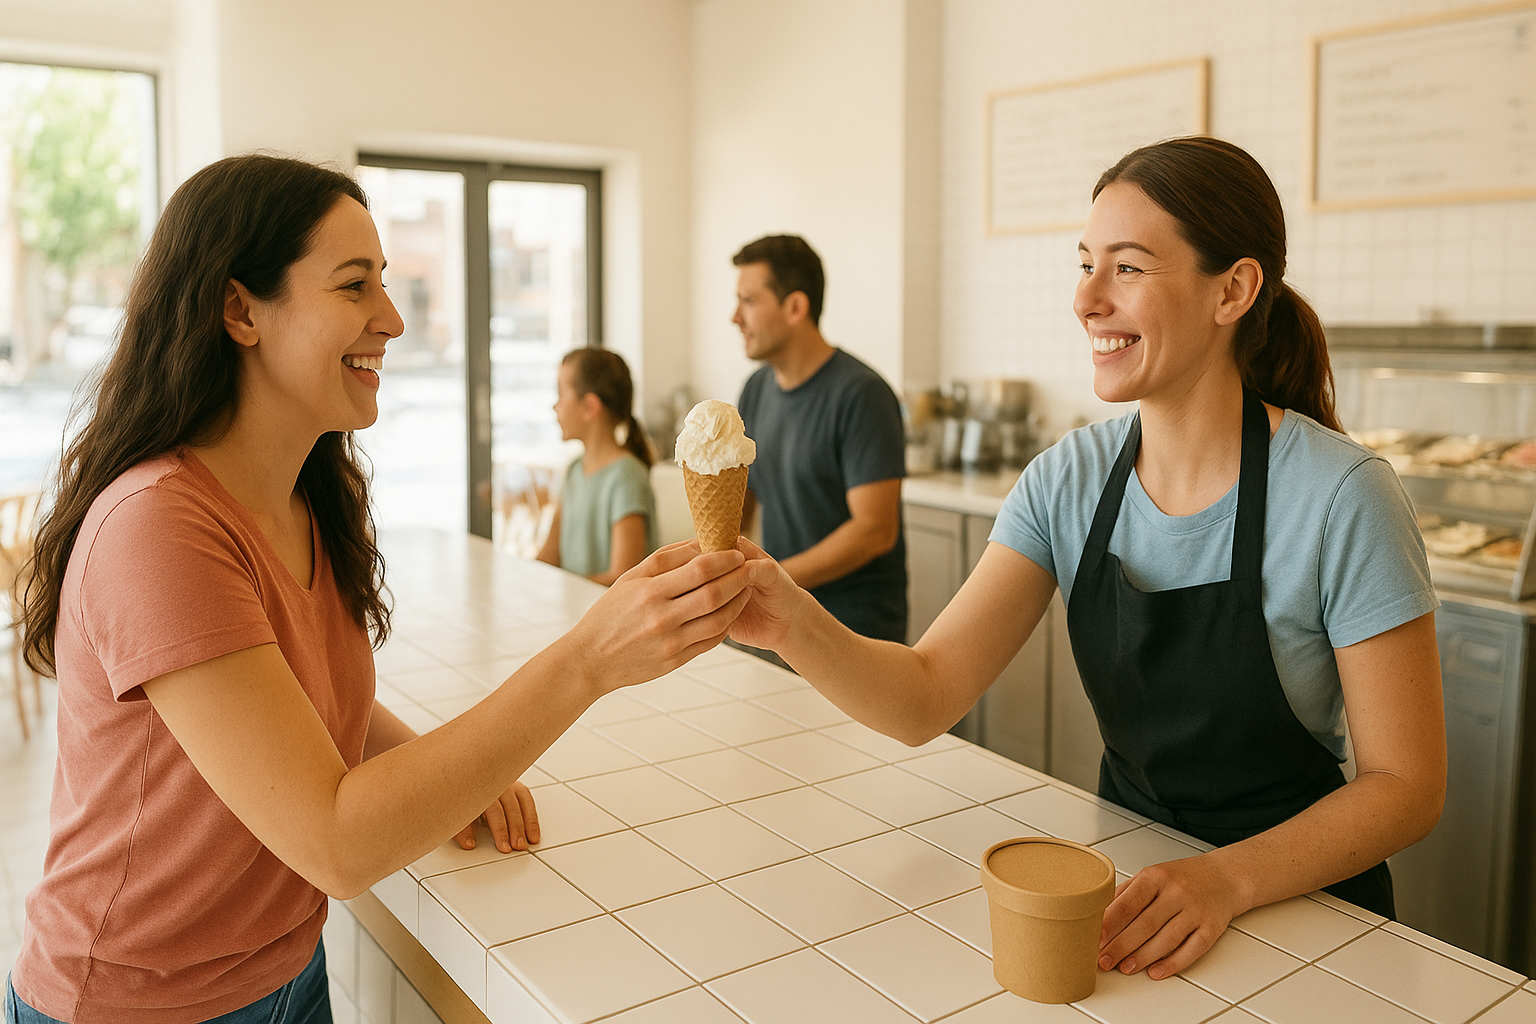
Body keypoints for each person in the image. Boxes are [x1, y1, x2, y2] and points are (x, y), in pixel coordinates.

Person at [9, 154, 749, 1024]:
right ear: (240, 310)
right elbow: (336, 844)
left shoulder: (306, 496)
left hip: (285, 974)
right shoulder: (157, 529)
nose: (393, 320)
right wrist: (587, 660)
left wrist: (457, 776)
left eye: (385, 283)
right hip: (135, 1007)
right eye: (354, 285)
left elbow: (318, 714)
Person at [730, 137, 1446, 981]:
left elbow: (1407, 784)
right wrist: (786, 616)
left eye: (1128, 268)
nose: (1086, 299)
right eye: (1085, 264)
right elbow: (925, 694)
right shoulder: (1065, 480)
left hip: (1308, 910)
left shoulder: (1342, 495)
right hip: (1134, 893)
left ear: (1234, 290)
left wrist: (1227, 878)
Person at [731, 234, 908, 644]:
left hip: (853, 632)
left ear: (795, 307)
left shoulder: (862, 395)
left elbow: (875, 530)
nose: (735, 317)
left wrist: (769, 579)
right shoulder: (755, 390)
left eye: (749, 301)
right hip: (778, 619)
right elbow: (743, 499)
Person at [537, 347, 659, 585]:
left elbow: (623, 578)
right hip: (573, 603)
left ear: (589, 407)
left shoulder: (627, 476)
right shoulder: (573, 471)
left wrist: (560, 589)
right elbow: (548, 557)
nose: (555, 406)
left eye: (561, 393)